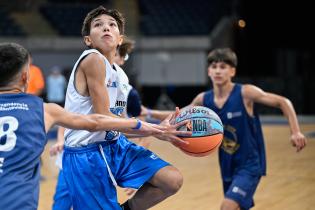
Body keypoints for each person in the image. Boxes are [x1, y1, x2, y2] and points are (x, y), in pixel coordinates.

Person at [0, 42, 167, 210]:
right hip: (74, 159)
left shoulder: (124, 86)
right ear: (25, 77)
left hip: (94, 151)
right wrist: (149, 127)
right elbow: (96, 122)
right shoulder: (44, 110)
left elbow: (138, 112)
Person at [61, 6, 190, 210]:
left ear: (120, 38)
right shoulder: (92, 59)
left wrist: (158, 132)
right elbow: (102, 119)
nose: (106, 28)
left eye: (112, 25)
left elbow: (119, 122)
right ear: (88, 40)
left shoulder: (120, 75)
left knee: (171, 180)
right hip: (86, 154)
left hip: (115, 145)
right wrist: (152, 128)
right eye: (98, 25)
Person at [189, 48, 307, 210]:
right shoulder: (203, 99)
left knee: (227, 207)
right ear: (208, 71)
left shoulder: (245, 92)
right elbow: (180, 115)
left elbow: (283, 102)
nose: (217, 70)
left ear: (232, 71)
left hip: (250, 164)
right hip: (227, 164)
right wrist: (150, 113)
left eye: (223, 67)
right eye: (214, 66)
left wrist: (296, 132)